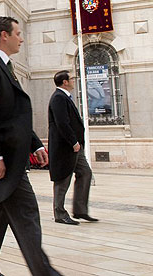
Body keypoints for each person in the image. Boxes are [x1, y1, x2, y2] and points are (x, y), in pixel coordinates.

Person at [0, 16, 61, 276]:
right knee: (27, 215)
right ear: (3, 35)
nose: (22, 39)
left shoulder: (5, 67)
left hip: (10, 157)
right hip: (2, 161)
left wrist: (35, 144)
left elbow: (13, 115)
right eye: (18, 33)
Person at [48, 70, 97, 225]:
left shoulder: (65, 97)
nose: (74, 80)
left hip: (76, 147)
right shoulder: (58, 98)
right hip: (66, 147)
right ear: (65, 82)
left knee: (85, 172)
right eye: (71, 78)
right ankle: (59, 213)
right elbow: (62, 123)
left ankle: (80, 210)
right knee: (63, 179)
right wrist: (73, 142)